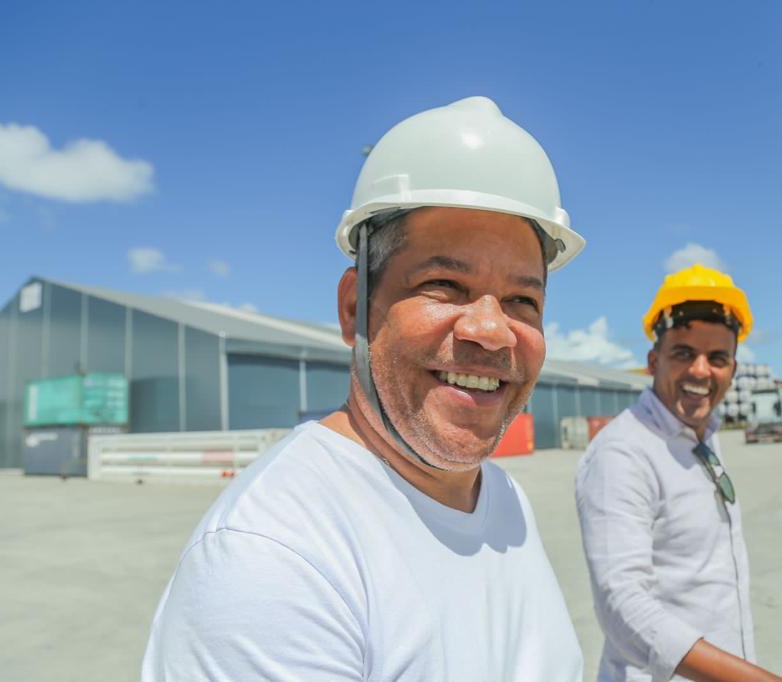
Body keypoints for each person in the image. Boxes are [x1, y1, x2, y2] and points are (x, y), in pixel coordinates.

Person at [142, 97, 587, 680]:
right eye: (444, 284)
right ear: (355, 308)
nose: (490, 330)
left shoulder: (504, 500)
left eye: (522, 300)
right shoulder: (275, 557)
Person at [575, 264, 782, 682]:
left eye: (717, 358)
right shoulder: (624, 453)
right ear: (653, 360)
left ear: (732, 369)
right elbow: (623, 606)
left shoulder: (703, 436)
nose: (700, 371)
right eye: (683, 353)